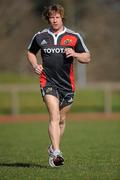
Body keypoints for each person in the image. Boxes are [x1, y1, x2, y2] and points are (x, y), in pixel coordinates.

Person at [27, 4, 91, 167]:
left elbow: (87, 57)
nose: (54, 20)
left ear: (62, 18)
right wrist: (35, 65)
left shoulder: (74, 36)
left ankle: (52, 147)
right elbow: (30, 52)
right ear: (48, 18)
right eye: (51, 17)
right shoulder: (40, 36)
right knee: (54, 116)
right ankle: (56, 153)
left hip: (67, 84)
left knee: (61, 119)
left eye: (57, 17)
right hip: (47, 81)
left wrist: (75, 54)